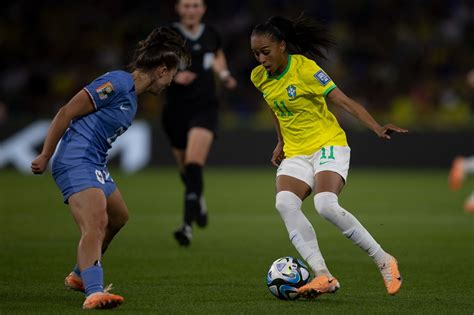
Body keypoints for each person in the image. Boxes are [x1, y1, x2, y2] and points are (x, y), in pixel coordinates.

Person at [250, 15, 408, 298]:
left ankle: (384, 259)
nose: (261, 59)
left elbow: (343, 100)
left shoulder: (306, 69)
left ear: (282, 46)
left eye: (265, 51)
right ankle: (323, 275)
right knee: (285, 203)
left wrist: (376, 126)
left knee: (325, 204)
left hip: (328, 144)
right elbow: (275, 107)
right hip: (297, 152)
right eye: (256, 53)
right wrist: (280, 140)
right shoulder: (258, 77)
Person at [31, 27, 188, 309]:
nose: (169, 83)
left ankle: (80, 275)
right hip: (76, 159)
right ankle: (94, 291)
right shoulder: (117, 83)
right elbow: (67, 111)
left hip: (95, 163)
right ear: (162, 71)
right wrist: (45, 154)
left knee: (118, 217)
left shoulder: (132, 100)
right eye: (172, 76)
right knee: (96, 222)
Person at [163, 0, 237, 246]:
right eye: (186, 6)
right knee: (186, 170)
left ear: (203, 9)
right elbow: (152, 65)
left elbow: (215, 55)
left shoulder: (211, 34)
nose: (191, 10)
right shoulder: (168, 34)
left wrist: (224, 75)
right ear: (178, 8)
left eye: (195, 5)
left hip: (204, 107)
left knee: (194, 165)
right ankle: (199, 199)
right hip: (175, 110)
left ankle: (186, 226)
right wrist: (173, 75)